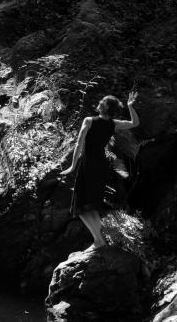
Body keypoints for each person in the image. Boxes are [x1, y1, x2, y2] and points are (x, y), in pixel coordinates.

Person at [61, 92, 139, 251]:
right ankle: (99, 240)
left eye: (102, 101)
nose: (100, 102)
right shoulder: (114, 123)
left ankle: (98, 240)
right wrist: (130, 106)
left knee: (80, 205)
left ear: (105, 107)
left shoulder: (89, 121)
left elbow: (79, 145)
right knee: (91, 205)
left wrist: (73, 165)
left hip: (88, 165)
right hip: (101, 166)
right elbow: (134, 123)